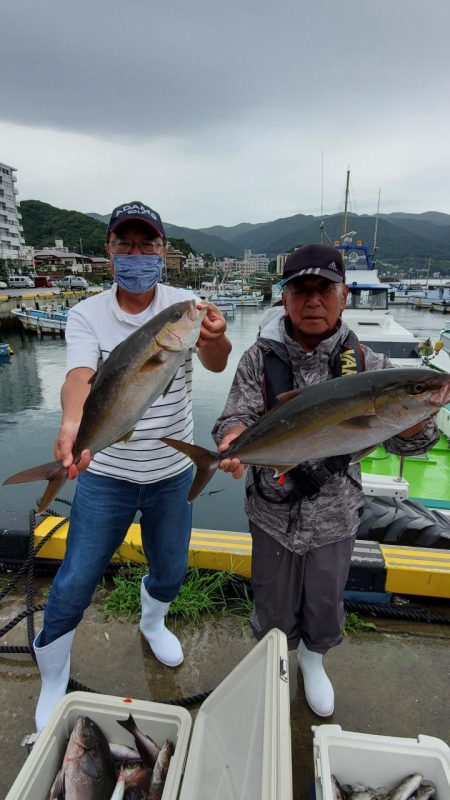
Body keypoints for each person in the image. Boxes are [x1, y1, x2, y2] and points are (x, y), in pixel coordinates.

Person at [212, 243, 449, 718]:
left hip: (336, 515)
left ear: (343, 296)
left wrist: (417, 418)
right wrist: (234, 440)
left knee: (324, 602)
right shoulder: (258, 360)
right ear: (285, 299)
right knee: (273, 604)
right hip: (272, 513)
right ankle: (275, 659)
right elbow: (234, 417)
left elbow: (410, 445)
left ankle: (314, 661)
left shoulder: (370, 365)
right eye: (302, 290)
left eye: (325, 290)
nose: (313, 301)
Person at [33, 201, 231, 731]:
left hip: (171, 474)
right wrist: (72, 425)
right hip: (106, 472)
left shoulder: (183, 309)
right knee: (75, 580)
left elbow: (215, 360)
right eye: (127, 245)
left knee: (170, 570)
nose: (138, 254)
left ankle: (153, 620)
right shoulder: (86, 314)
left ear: (164, 250)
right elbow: (79, 375)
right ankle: (53, 675)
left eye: (148, 245)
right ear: (110, 251)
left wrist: (216, 336)